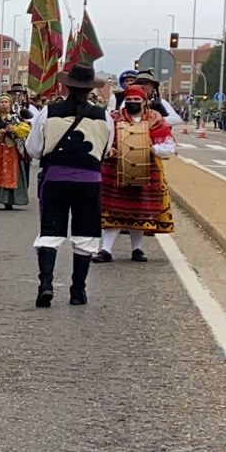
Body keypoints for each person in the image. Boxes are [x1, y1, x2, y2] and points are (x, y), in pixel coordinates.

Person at [28, 62, 112, 308]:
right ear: (90, 89)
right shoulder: (104, 116)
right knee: (85, 235)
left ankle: (45, 285)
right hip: (89, 182)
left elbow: (34, 150)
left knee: (50, 234)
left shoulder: (48, 112)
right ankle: (78, 290)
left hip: (56, 179)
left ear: (65, 86)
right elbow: (105, 150)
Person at [96, 85, 177, 262]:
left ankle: (137, 249)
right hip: (115, 169)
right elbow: (103, 138)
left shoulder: (155, 118)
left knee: (140, 210)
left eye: (136, 100)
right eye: (130, 100)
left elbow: (169, 144)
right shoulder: (114, 118)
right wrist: (110, 150)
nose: (133, 103)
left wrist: (152, 148)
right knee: (113, 211)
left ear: (144, 101)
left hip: (146, 168)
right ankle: (105, 250)